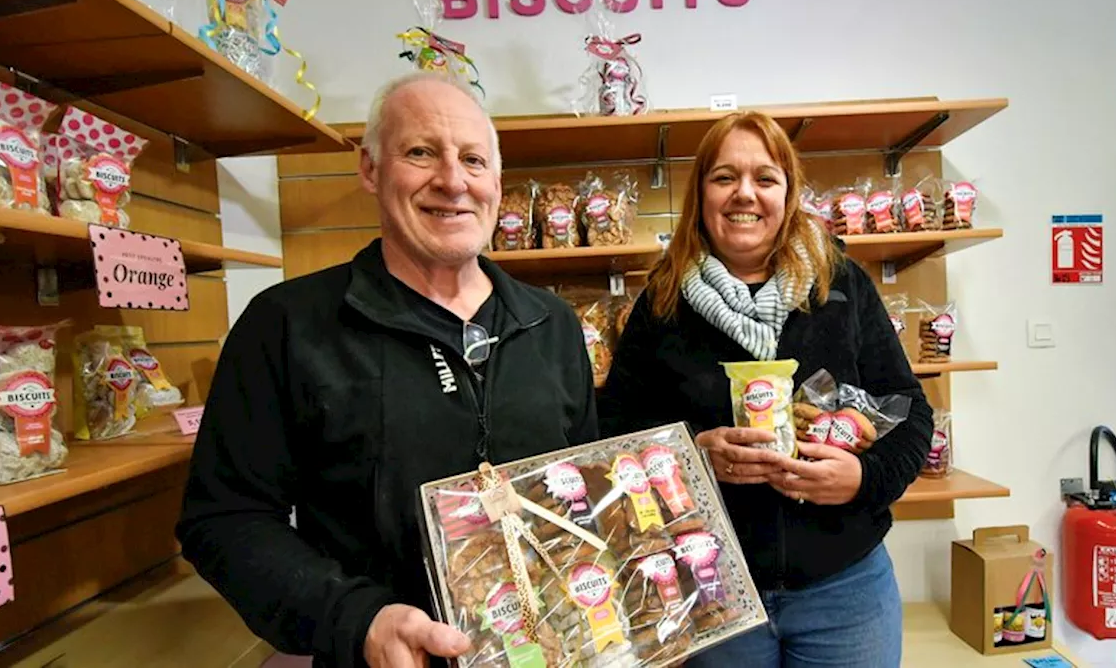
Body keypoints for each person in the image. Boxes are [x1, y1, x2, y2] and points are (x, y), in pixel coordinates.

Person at [176, 72, 598, 668]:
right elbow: (225, 519)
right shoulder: (287, 325)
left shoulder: (550, 323)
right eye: (421, 152)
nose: (453, 181)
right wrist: (357, 619)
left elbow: (580, 499)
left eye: (474, 160)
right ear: (370, 169)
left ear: (497, 184)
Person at [597, 111, 933, 667]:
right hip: (715, 591)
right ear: (701, 194)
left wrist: (862, 479)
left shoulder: (840, 284)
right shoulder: (662, 304)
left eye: (765, 178)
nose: (744, 194)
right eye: (724, 177)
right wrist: (692, 456)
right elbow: (613, 434)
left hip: (845, 589)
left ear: (788, 193)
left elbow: (912, 415)